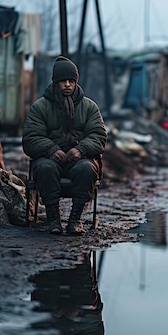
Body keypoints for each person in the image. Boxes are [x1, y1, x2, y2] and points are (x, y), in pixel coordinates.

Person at [22, 56, 107, 235]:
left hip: (80, 159)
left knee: (85, 169)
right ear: (55, 82)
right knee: (45, 168)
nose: (67, 84)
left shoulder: (89, 107)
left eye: (71, 81)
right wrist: (51, 149)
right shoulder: (40, 107)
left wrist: (81, 149)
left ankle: (75, 219)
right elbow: (31, 137)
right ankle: (54, 219)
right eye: (63, 81)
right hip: (50, 159)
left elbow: (98, 135)